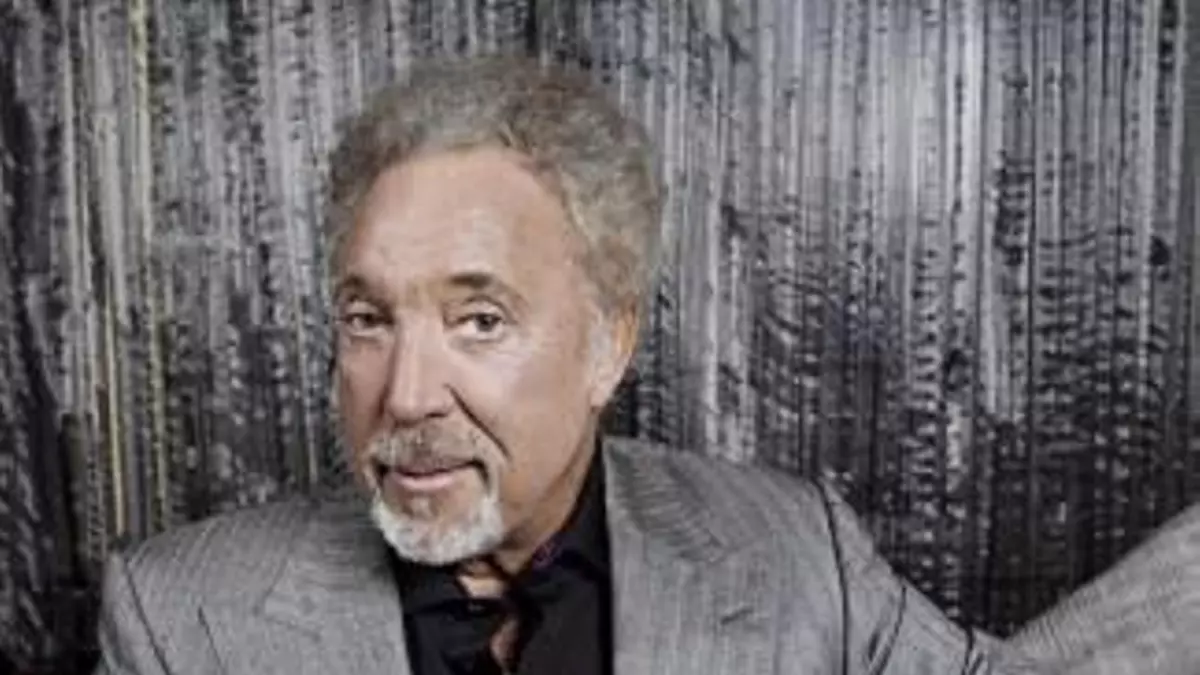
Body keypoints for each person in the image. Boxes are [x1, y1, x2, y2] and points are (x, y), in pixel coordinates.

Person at [90, 55, 1177, 675]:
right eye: (368, 319)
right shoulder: (179, 622)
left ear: (609, 342)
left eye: (479, 320)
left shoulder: (795, 554)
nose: (406, 395)